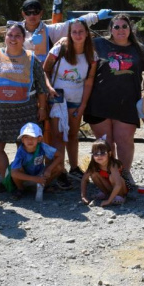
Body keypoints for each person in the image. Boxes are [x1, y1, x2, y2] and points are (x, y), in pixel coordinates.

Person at [84, 13, 144, 187]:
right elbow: (76, 46)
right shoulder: (98, 44)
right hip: (99, 103)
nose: (120, 30)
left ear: (130, 29)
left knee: (124, 140)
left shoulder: (138, 49)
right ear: (110, 29)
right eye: (116, 27)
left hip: (127, 104)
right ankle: (107, 178)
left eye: (124, 26)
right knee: (105, 143)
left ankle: (125, 176)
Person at [0, 23, 49, 193]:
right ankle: (8, 180)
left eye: (17, 35)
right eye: (10, 35)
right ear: (5, 37)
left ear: (23, 38)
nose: (13, 39)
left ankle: (23, 181)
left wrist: (42, 109)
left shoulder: (32, 58)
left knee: (26, 149)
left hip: (26, 113)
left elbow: (42, 87)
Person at [42, 18, 98, 180]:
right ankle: (59, 170)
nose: (78, 35)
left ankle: (74, 167)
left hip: (76, 98)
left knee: (73, 135)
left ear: (87, 33)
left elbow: (89, 80)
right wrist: (49, 88)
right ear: (69, 33)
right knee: (57, 135)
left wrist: (83, 104)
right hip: (57, 98)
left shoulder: (91, 55)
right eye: (74, 32)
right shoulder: (59, 49)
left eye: (81, 32)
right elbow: (45, 70)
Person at [14, 0, 111, 63]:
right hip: (21, 75)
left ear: (41, 13)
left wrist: (97, 16)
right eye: (28, 13)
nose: (32, 16)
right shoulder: (15, 32)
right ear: (23, 14)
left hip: (44, 76)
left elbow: (73, 24)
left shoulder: (50, 31)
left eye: (35, 12)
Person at [8, 122, 64, 201]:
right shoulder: (21, 151)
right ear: (22, 140)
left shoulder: (42, 146)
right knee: (16, 170)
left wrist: (49, 169)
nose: (29, 140)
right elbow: (14, 173)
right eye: (26, 137)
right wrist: (34, 179)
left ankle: (43, 185)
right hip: (26, 175)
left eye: (33, 137)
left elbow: (60, 156)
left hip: (39, 173)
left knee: (58, 168)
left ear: (39, 139)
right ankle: (20, 189)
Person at [80, 140, 128, 207]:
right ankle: (106, 193)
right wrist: (83, 196)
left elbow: (118, 184)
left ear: (109, 154)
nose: (99, 156)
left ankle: (120, 196)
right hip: (109, 187)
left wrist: (108, 201)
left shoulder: (113, 165)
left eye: (102, 153)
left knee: (112, 177)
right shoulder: (94, 165)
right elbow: (84, 179)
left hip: (122, 188)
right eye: (96, 154)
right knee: (94, 174)